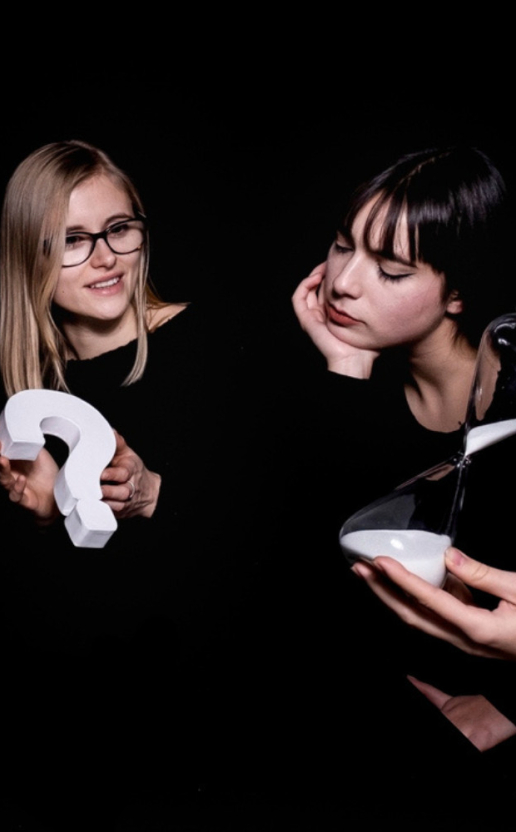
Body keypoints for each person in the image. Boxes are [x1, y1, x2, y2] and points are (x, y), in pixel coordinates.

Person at [0, 140, 259, 829]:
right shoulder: (27, 403)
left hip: (219, 727)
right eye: (73, 240)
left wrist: (157, 496)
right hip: (80, 751)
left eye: (119, 228)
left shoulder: (217, 344)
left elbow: (268, 541)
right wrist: (47, 512)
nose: (107, 256)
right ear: (30, 254)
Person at [291, 146, 516, 761]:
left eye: (391, 270)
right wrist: (343, 374)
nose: (342, 283)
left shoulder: (509, 404)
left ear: (458, 294)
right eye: (342, 245)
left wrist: (508, 709)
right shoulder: (351, 388)